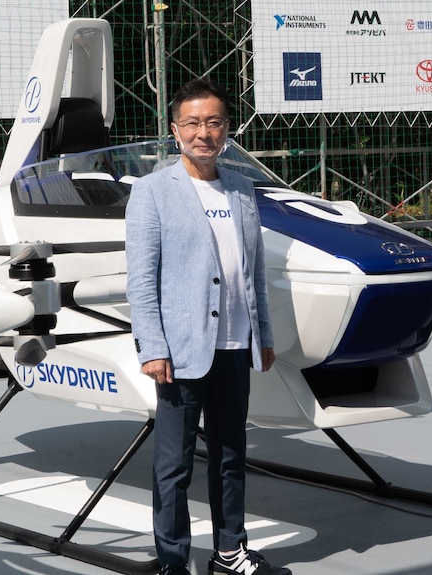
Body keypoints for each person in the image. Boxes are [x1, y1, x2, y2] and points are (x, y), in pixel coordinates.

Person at [125, 79, 290, 575]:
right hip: (180, 352)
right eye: (193, 123)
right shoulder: (153, 192)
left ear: (226, 129)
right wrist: (152, 347)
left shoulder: (241, 187)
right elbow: (142, 279)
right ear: (175, 131)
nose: (204, 133)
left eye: (213, 122)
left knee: (229, 455)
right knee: (173, 466)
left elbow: (253, 267)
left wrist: (263, 333)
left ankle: (229, 552)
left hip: (235, 346)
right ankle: (173, 562)